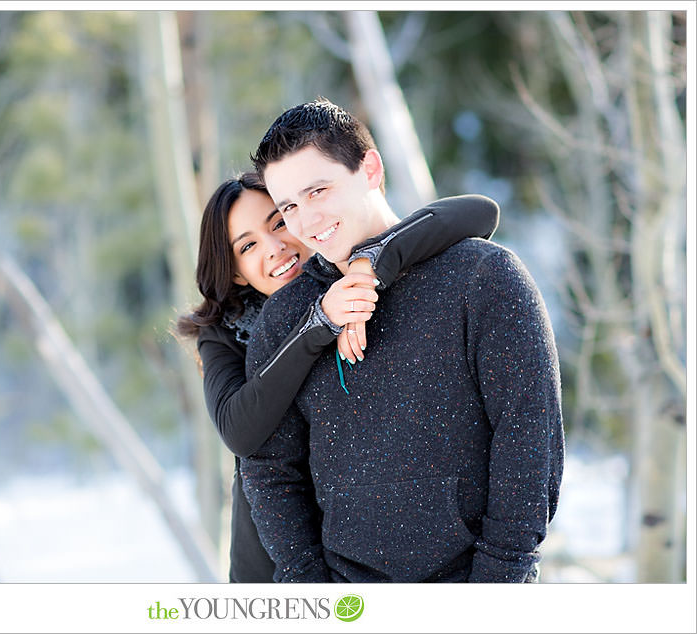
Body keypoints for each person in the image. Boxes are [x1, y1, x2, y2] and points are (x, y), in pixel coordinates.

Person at [240, 98, 565, 583]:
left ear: (369, 169)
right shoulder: (288, 317)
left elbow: (528, 438)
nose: (305, 222)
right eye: (289, 206)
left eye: (318, 191)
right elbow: (271, 471)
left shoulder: (482, 277)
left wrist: (500, 582)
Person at [177, 171, 501, 582]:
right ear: (237, 271)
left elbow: (479, 212)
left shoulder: (354, 274)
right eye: (248, 245)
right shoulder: (227, 331)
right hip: (277, 560)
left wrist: (372, 262)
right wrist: (318, 324)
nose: (275, 248)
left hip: (370, 550)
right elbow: (238, 429)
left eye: (278, 222)